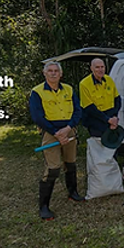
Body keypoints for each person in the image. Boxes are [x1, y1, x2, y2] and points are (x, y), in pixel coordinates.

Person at [29, 61, 83, 220]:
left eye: (56, 71)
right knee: (53, 168)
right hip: (50, 133)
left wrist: (68, 129)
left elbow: (78, 111)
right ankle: (44, 206)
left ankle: (73, 193)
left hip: (69, 130)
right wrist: (56, 132)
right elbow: (37, 116)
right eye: (50, 71)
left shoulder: (69, 89)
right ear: (44, 74)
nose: (53, 73)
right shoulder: (37, 92)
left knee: (71, 163)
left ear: (61, 74)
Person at [79, 58, 121, 138]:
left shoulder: (109, 80)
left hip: (111, 119)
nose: (100, 70)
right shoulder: (84, 84)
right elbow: (89, 108)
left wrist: (114, 118)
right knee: (98, 147)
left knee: (111, 146)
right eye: (97, 67)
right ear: (91, 68)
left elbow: (117, 100)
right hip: (95, 121)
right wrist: (108, 120)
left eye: (102, 67)